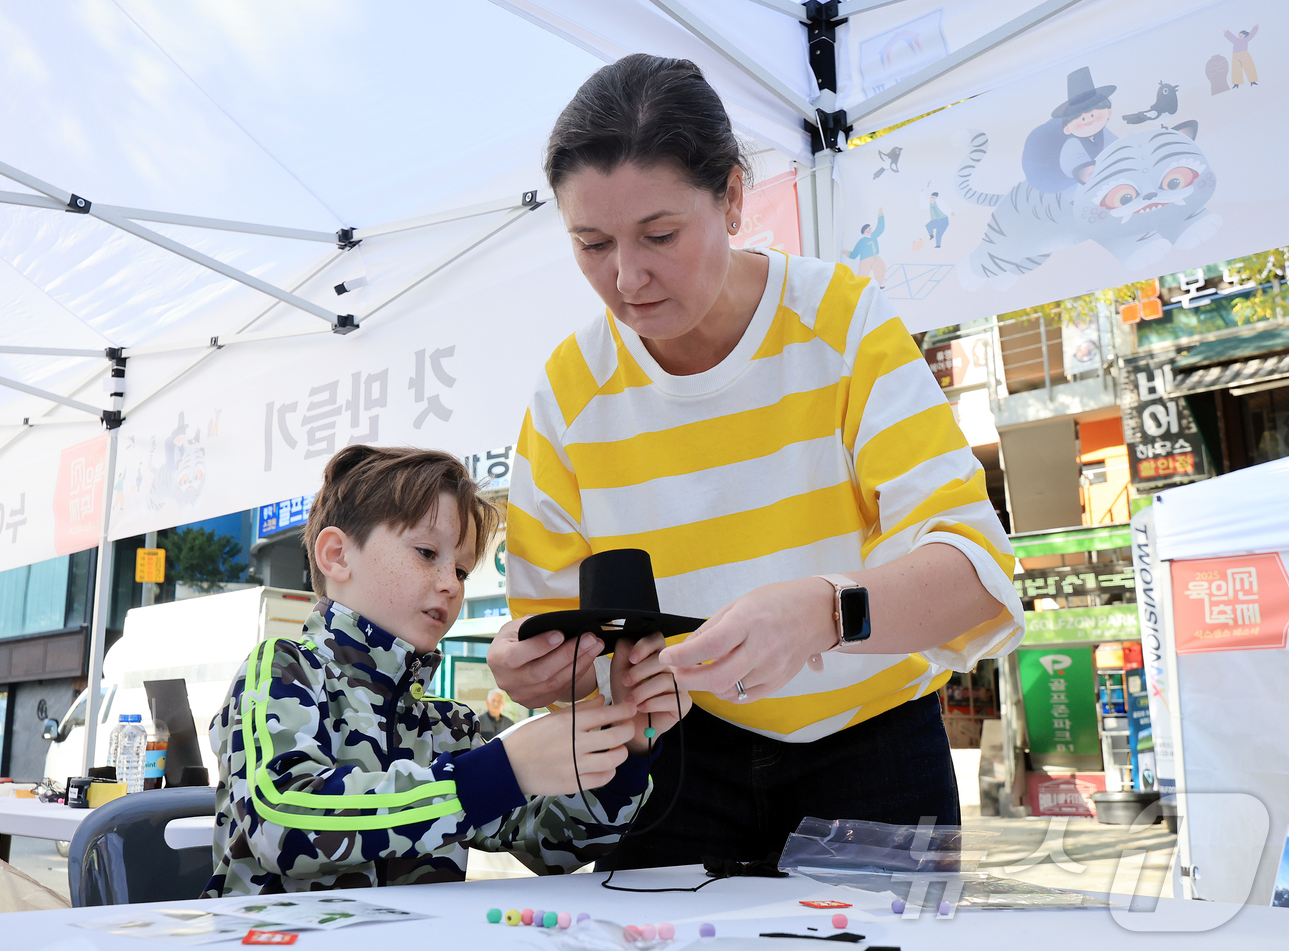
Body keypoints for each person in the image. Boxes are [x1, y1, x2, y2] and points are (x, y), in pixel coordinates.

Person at [488, 53, 1024, 870]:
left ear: (734, 198)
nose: (627, 278)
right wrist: (530, 666)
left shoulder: (841, 325)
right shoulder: (568, 390)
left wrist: (823, 612)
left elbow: (975, 575)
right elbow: (553, 631)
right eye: (591, 243)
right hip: (671, 763)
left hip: (871, 751)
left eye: (659, 235)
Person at [204, 445, 688, 896]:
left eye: (460, 569)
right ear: (337, 555)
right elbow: (281, 818)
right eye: (427, 554)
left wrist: (628, 739)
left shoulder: (448, 722)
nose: (451, 585)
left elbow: (552, 846)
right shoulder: (284, 667)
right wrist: (497, 772)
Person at [1022, 67, 1118, 194]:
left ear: (1108, 113)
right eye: (1082, 117)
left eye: (1094, 114)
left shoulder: (1103, 132)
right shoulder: (1072, 144)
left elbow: (1116, 149)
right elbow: (1081, 172)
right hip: (1070, 187)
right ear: (1067, 127)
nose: (1088, 119)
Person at [843, 208, 885, 285]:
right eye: (867, 230)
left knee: (881, 268)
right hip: (865, 260)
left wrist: (880, 215)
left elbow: (880, 228)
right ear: (864, 233)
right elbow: (854, 255)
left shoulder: (874, 236)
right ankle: (859, 287)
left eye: (869, 229)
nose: (869, 231)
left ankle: (878, 286)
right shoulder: (861, 242)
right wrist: (847, 253)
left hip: (875, 257)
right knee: (863, 274)